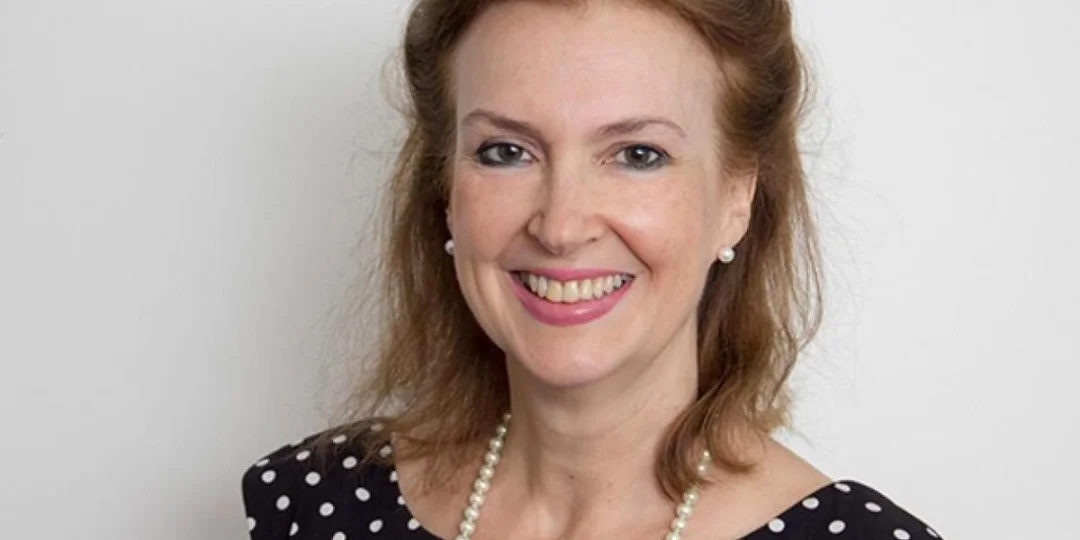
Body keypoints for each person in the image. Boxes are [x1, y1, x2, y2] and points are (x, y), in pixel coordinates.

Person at [242, 0, 943, 538]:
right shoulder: (315, 503)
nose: (561, 226)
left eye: (638, 155)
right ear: (446, 189)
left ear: (737, 197)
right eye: (505, 151)